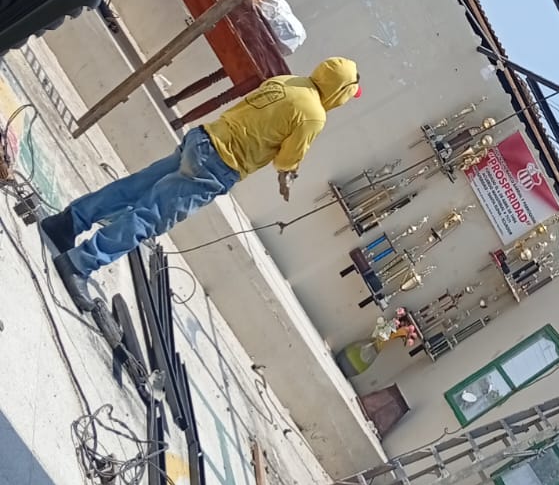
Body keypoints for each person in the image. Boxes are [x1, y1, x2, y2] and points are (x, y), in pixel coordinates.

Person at [40, 58, 361, 310]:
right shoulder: (314, 115)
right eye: (349, 94)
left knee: (133, 189)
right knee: (149, 217)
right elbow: (286, 159)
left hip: (203, 139)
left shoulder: (287, 81)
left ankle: (66, 223)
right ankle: (80, 263)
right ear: (341, 91)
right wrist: (288, 173)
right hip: (219, 166)